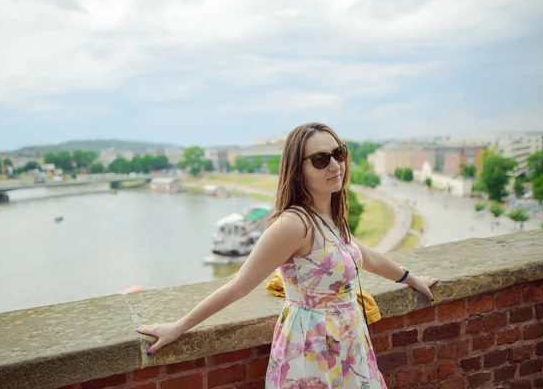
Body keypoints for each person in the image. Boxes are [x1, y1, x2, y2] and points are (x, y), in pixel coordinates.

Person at [137, 122, 438, 388]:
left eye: (339, 153)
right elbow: (240, 285)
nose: (335, 165)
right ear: (298, 170)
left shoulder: (330, 215)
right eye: (321, 159)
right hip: (311, 348)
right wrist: (178, 327)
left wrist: (411, 278)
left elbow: (365, 255)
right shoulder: (293, 224)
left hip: (348, 340)